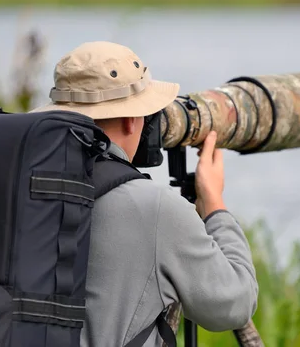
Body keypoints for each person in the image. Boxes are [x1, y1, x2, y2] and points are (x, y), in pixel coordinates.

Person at [30, 41, 258, 347]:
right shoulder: (156, 209)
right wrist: (214, 203)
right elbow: (235, 304)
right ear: (132, 119)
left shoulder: (25, 185)